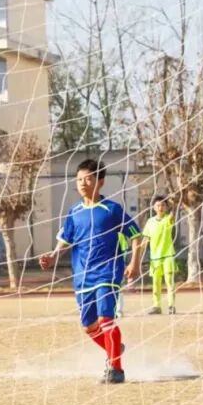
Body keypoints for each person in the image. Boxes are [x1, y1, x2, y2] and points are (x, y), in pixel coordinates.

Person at [39, 159, 143, 384]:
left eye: (88, 179)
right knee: (89, 326)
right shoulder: (74, 212)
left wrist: (134, 264)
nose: (82, 183)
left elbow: (136, 235)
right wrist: (53, 256)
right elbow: (65, 240)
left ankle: (116, 370)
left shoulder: (112, 210)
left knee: (106, 319)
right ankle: (114, 349)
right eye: (79, 180)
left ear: (100, 181)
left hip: (108, 272)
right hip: (82, 276)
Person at [141, 195, 177, 315]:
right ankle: (156, 306)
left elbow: (173, 215)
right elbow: (145, 239)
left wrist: (174, 204)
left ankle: (171, 306)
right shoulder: (150, 222)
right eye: (158, 205)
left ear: (166, 207)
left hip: (168, 255)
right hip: (155, 258)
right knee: (156, 283)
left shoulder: (168, 219)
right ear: (154, 207)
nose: (160, 207)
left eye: (163, 205)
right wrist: (139, 256)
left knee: (169, 282)